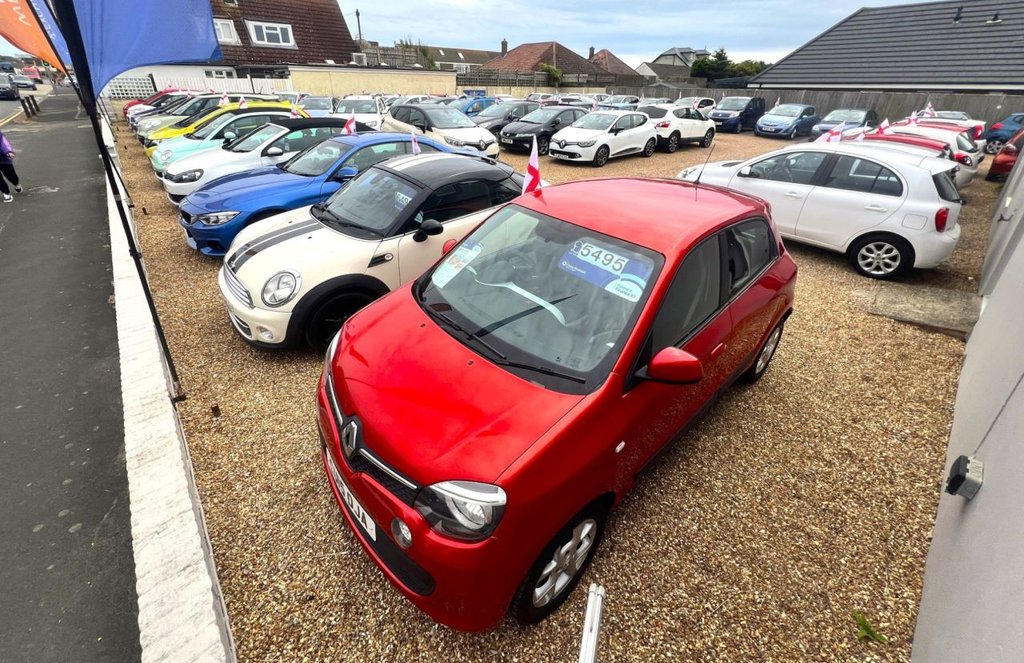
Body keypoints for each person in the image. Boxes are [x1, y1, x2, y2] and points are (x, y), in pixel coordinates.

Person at [0, 128, 22, 202]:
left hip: (3, 157)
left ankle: (16, 184)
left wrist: (8, 151)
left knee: (11, 175)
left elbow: (3, 143)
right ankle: (6, 193)